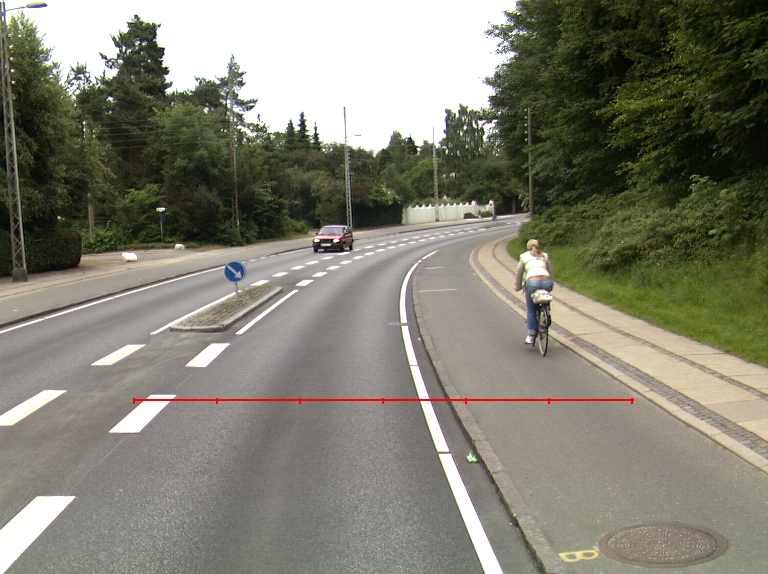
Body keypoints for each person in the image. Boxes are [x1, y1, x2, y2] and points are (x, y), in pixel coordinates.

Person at [514, 239, 554, 345]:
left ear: (528, 247)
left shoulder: (524, 256)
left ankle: (531, 335)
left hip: (532, 282)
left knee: (531, 310)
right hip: (547, 281)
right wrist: (551, 284)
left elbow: (518, 273)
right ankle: (546, 313)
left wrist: (518, 287)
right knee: (545, 297)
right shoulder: (544, 256)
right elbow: (550, 271)